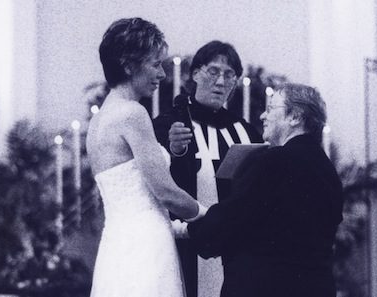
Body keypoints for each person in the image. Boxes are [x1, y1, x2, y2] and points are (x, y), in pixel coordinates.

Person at [186, 83, 344, 297]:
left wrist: (190, 230)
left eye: (270, 109)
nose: (262, 116)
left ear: (295, 117)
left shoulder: (272, 161)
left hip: (266, 287)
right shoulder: (328, 170)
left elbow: (231, 219)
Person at [86, 18, 206, 297]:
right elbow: (165, 193)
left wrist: (179, 228)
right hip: (146, 250)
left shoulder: (100, 119)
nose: (162, 74)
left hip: (116, 249)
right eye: (155, 64)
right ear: (129, 65)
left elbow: (132, 200)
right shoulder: (132, 113)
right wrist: (208, 216)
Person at [153, 41, 263, 297]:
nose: (221, 81)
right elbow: (159, 182)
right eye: (213, 72)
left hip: (237, 248)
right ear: (195, 74)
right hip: (185, 244)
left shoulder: (244, 131)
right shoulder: (169, 124)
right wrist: (176, 150)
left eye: (229, 75)